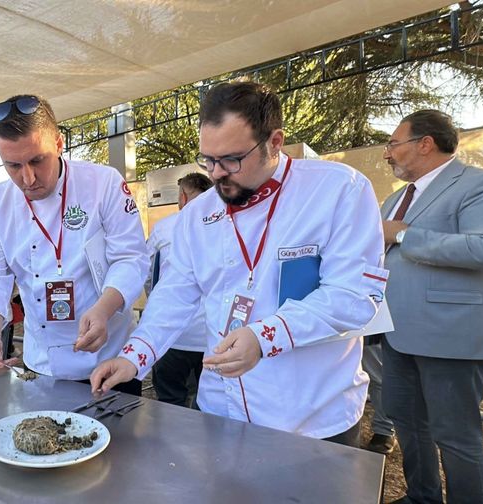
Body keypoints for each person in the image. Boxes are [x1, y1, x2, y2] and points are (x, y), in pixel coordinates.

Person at [91, 82, 387, 445]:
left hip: (311, 417)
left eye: (231, 159)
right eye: (207, 160)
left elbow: (355, 296)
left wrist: (265, 337)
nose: (216, 173)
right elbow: (174, 296)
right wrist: (134, 356)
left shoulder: (339, 190)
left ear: (274, 142)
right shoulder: (197, 215)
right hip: (222, 410)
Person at [0, 95, 149, 393]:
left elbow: (130, 259)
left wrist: (103, 310)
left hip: (108, 361)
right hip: (41, 365)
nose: (28, 178)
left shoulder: (103, 183)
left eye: (37, 160)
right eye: (13, 165)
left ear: (59, 143)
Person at [381, 110, 483, 504]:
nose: (388, 154)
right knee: (409, 425)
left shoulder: (480, 184)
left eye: (393, 144)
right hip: (397, 334)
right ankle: (422, 497)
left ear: (425, 144)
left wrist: (403, 235)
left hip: (452, 333)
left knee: (456, 436)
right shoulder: (395, 198)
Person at [146, 172, 212, 407]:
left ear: (183, 197)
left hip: (172, 335)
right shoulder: (227, 226)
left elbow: (147, 275)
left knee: (169, 402)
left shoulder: (164, 228)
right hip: (213, 337)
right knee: (208, 404)